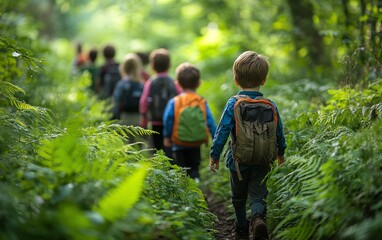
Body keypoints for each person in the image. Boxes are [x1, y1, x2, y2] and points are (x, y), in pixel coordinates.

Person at [209, 51, 287, 240]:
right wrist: (281, 154)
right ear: (264, 79)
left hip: (238, 162)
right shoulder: (270, 105)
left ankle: (242, 229)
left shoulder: (233, 103)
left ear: (236, 79)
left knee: (238, 197)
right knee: (257, 195)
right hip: (262, 160)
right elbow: (279, 133)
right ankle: (258, 217)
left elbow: (222, 131)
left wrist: (215, 155)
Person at [163, 62, 216, 181]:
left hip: (178, 143)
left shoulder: (175, 102)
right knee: (194, 167)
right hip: (196, 143)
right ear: (198, 83)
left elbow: (168, 120)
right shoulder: (201, 101)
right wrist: (215, 139)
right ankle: (196, 181)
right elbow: (210, 122)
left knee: (182, 168)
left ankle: (184, 189)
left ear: (178, 84)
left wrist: (167, 137)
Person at [139, 48, 181, 153]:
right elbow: (180, 98)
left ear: (152, 66)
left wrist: (144, 117)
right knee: (170, 148)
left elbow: (144, 102)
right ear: (169, 65)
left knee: (157, 148)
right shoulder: (173, 82)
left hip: (154, 121)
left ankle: (159, 166)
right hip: (172, 121)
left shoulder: (150, 82)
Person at [112, 53, 144, 125]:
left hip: (124, 117)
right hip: (138, 117)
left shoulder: (122, 84)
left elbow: (116, 101)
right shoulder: (141, 84)